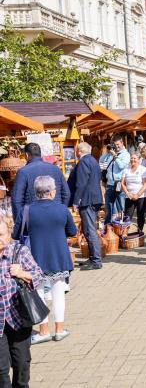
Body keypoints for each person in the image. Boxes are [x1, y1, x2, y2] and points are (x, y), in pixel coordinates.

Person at [12, 176, 76, 344]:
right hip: (59, 256)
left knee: (38, 293)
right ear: (52, 191)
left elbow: (16, 235)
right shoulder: (62, 209)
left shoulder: (26, 210)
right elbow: (73, 231)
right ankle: (59, 330)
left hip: (35, 258)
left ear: (36, 192)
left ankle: (43, 331)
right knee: (58, 292)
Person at [0, 215, 43, 387]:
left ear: (9, 232)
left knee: (21, 364)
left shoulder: (19, 252)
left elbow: (38, 275)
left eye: (1, 234)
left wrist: (22, 274)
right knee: (1, 370)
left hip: (19, 318)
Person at [67, 142, 103, 270]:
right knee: (90, 229)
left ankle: (96, 260)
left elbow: (81, 183)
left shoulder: (83, 162)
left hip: (87, 200)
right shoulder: (93, 160)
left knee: (89, 230)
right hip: (94, 198)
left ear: (79, 151)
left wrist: (76, 201)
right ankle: (94, 257)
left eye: (77, 150)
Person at [11, 142, 70, 219]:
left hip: (34, 217)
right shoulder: (56, 169)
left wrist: (19, 222)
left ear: (27, 155)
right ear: (40, 154)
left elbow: (16, 200)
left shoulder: (23, 172)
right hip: (57, 215)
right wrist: (62, 210)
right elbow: (66, 193)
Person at [103, 135, 130, 224]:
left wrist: (115, 156)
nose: (117, 146)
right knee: (109, 206)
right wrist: (107, 152)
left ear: (122, 143)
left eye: (118, 144)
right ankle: (108, 227)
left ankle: (122, 226)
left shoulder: (126, 154)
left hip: (119, 183)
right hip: (110, 184)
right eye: (115, 145)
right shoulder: (112, 153)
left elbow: (122, 166)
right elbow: (102, 161)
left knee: (121, 207)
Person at [121, 153, 146, 233]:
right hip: (129, 196)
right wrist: (127, 193)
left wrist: (138, 194)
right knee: (127, 216)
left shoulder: (143, 169)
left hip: (141, 196)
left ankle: (140, 231)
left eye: (135, 158)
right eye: (131, 158)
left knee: (140, 215)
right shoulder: (126, 169)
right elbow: (122, 183)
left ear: (138, 160)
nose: (132, 160)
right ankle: (125, 233)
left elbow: (145, 184)